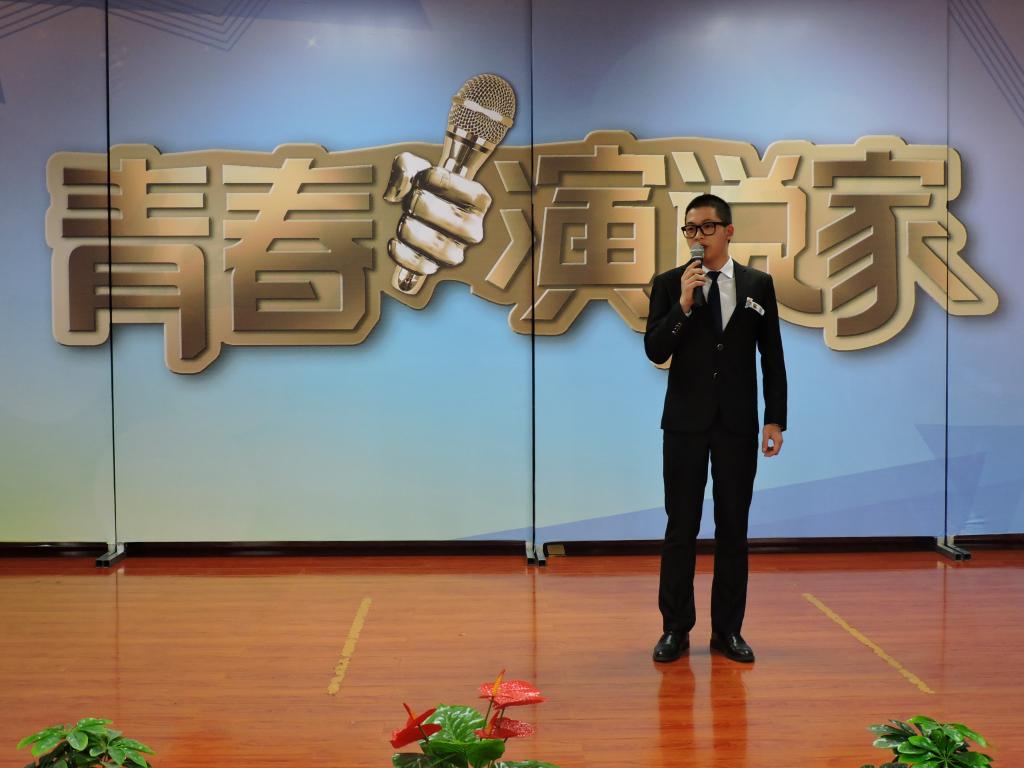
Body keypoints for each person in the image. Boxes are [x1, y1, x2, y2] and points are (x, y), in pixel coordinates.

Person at [644, 194, 787, 663]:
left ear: (728, 230)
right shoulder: (670, 284)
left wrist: (775, 418)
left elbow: (772, 356)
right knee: (680, 526)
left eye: (707, 227)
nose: (698, 236)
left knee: (733, 528)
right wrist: (683, 306)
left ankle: (727, 631)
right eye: (690, 228)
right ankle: (674, 628)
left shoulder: (758, 284)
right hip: (684, 425)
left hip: (736, 425)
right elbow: (656, 350)